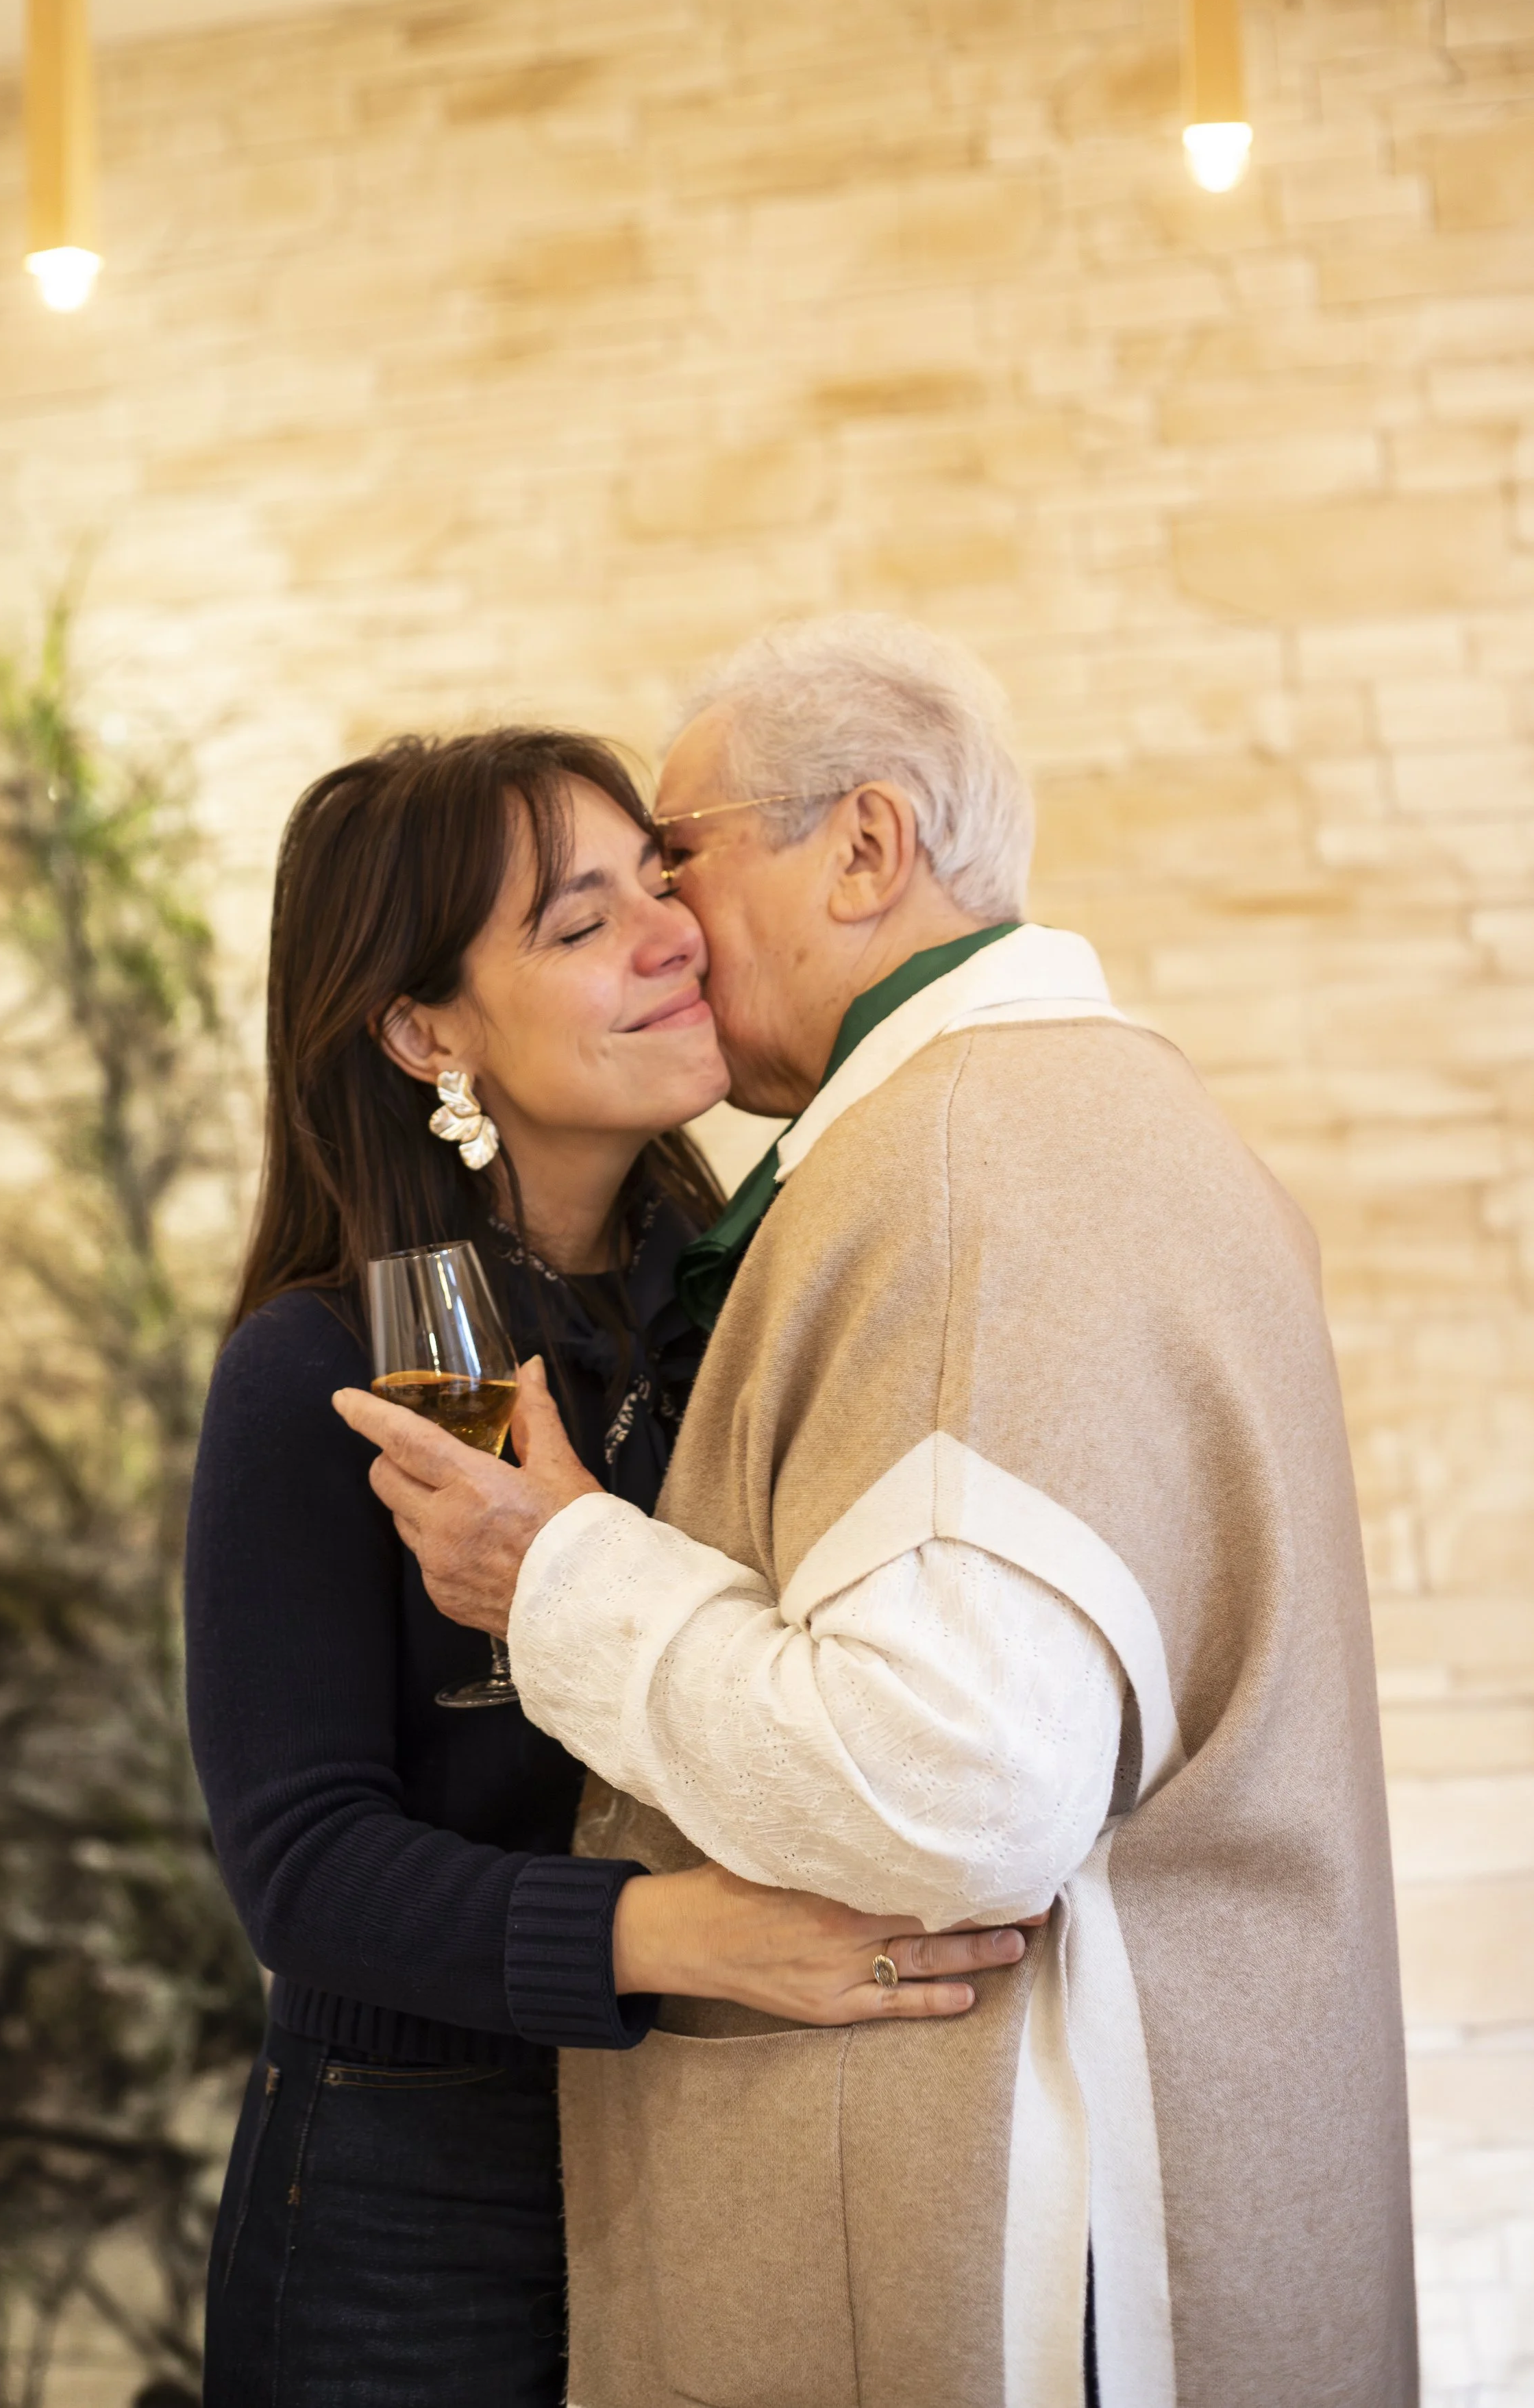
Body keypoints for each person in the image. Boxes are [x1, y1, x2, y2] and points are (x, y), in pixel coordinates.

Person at [338, 617, 1419, 2408]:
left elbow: (955, 1778)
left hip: (1038, 2236)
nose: (666, 927)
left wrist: (561, 1575)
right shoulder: (1091, 1111)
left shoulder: (959, 1156)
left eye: (674, 857)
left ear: (862, 846)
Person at [186, 725, 1023, 2408]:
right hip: (405, 2191)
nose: (669, 936)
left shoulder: (745, 1307)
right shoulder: (329, 1372)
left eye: (657, 882)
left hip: (704, 2140)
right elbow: (303, 1868)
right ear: (426, 1031)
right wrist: (680, 1938)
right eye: (576, 927)